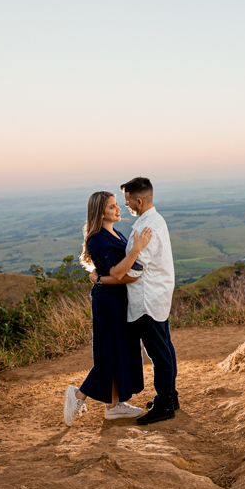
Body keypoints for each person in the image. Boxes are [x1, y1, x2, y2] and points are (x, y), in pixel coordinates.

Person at [92, 176, 178, 425]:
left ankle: (165, 405)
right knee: (165, 349)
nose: (125, 206)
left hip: (147, 300)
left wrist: (100, 278)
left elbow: (131, 274)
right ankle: (170, 397)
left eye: (127, 201)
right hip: (157, 296)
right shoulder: (155, 220)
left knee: (159, 354)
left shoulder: (144, 228)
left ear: (138, 201)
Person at [63, 191, 152, 426]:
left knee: (121, 349)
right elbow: (118, 272)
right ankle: (79, 395)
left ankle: (114, 405)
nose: (118, 209)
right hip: (109, 302)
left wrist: (99, 276)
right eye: (112, 206)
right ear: (100, 212)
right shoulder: (97, 238)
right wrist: (137, 250)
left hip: (119, 299)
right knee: (110, 352)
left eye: (116, 205)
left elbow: (106, 271)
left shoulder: (114, 233)